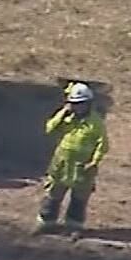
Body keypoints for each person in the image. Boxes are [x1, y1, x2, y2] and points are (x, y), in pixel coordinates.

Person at [34, 81, 108, 237]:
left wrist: (94, 162)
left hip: (82, 167)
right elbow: (49, 129)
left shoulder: (96, 123)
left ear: (88, 104)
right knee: (54, 193)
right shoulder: (66, 117)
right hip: (61, 163)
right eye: (74, 104)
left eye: (80, 104)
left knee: (79, 198)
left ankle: (74, 226)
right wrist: (62, 113)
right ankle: (46, 223)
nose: (77, 107)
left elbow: (102, 144)